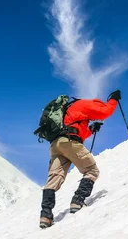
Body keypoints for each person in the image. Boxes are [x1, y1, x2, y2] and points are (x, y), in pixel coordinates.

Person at [39, 90, 121, 229]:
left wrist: (90, 129)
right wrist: (113, 99)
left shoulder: (68, 110)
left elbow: (75, 132)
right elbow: (105, 112)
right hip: (69, 142)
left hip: (56, 145)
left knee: (54, 178)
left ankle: (45, 215)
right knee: (91, 170)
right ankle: (77, 201)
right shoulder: (86, 104)